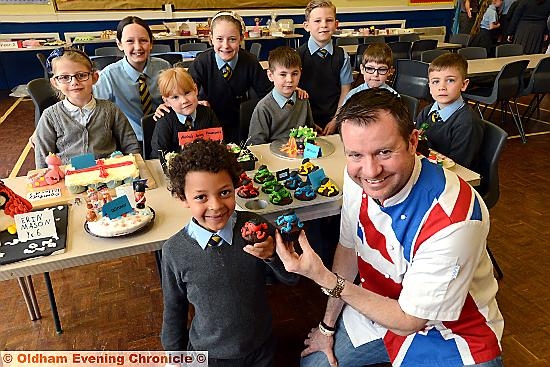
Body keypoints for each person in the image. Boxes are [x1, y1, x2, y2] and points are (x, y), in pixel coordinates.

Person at [274, 89, 504, 367]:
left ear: (412, 141)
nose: (370, 171)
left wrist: (323, 278)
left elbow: (409, 321)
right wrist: (327, 328)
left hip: (452, 331)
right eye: (356, 154)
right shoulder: (356, 178)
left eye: (384, 152)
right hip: (377, 304)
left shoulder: (455, 216)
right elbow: (348, 250)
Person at [160, 139, 299, 366]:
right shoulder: (174, 251)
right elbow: (174, 308)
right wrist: (174, 356)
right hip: (209, 355)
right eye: (201, 197)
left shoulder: (256, 227)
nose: (215, 205)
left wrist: (272, 255)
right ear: (182, 198)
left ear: (236, 187)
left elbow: (291, 278)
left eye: (224, 192)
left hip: (261, 348)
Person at [34, 47, 140, 169]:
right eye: (64, 77)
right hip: (68, 177)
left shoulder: (110, 109)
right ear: (55, 82)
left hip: (109, 174)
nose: (74, 82)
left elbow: (130, 143)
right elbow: (42, 159)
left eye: (81, 75)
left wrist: (133, 168)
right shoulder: (50, 116)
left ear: (94, 77)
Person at [187, 11, 273, 143]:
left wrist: (288, 91)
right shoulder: (202, 61)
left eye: (232, 39)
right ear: (211, 39)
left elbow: (267, 93)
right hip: (208, 125)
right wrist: (196, 102)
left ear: (241, 38)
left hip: (239, 125)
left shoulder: (250, 61)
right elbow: (186, 90)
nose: (225, 45)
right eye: (219, 39)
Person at [93, 16, 171, 142]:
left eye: (143, 40)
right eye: (130, 41)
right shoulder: (108, 76)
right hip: (129, 141)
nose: (138, 47)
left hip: (164, 135)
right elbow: (98, 115)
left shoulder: (164, 67)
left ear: (151, 43)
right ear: (120, 44)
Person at [415, 53, 484, 168]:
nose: (442, 87)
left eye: (450, 80)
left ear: (463, 84)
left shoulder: (467, 123)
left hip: (451, 177)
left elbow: (458, 166)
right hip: (426, 166)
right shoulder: (427, 112)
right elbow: (416, 143)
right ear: (429, 86)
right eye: (435, 81)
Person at [297, 0, 354, 135]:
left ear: (336, 24)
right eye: (317, 21)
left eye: (329, 20)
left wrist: (336, 120)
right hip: (304, 122)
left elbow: (345, 91)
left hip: (335, 120)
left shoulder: (342, 56)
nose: (323, 25)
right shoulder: (297, 56)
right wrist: (308, 121)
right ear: (306, 26)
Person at [247, 46, 315, 145]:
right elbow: (255, 144)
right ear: (270, 75)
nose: (289, 80)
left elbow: (310, 129)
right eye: (283, 74)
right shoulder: (263, 108)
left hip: (300, 155)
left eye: (294, 74)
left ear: (300, 72)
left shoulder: (303, 99)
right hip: (273, 156)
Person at [150, 67, 220, 158]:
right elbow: (158, 155)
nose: (184, 101)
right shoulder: (165, 120)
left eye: (187, 93)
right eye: (175, 97)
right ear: (166, 101)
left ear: (195, 89)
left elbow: (219, 145)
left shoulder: (208, 113)